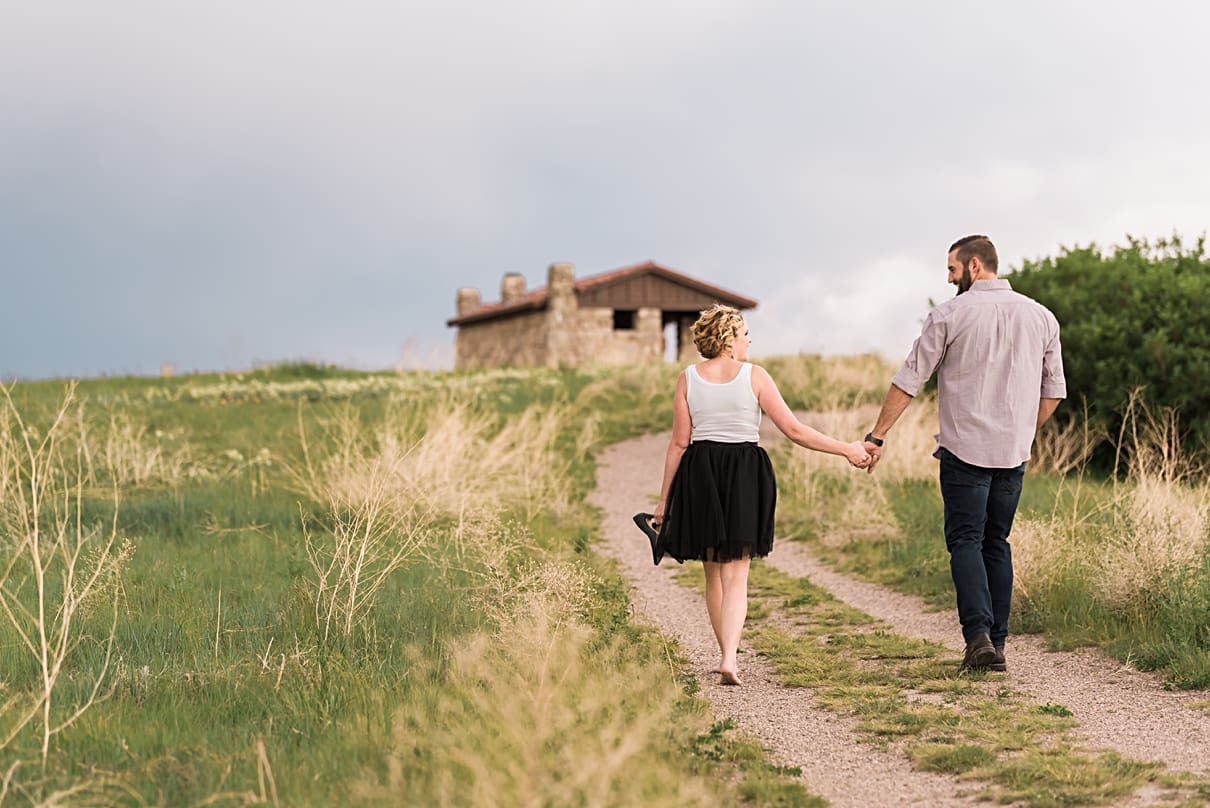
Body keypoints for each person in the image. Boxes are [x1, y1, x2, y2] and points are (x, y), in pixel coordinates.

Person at [861, 235, 1066, 672]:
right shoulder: (1042, 317)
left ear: (974, 266)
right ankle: (1000, 644)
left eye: (952, 270)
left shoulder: (949, 314)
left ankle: (978, 640)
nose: (950, 279)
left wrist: (877, 435)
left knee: (966, 541)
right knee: (997, 542)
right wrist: (1023, 434)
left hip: (964, 452)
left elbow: (910, 379)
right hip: (1013, 454)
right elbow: (1054, 393)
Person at [643, 304, 872, 686]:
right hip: (745, 473)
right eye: (745, 333)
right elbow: (795, 431)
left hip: (700, 473)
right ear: (729, 339)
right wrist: (846, 448)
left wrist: (664, 501)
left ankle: (724, 655)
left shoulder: (687, 378)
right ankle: (730, 658)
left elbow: (679, 443)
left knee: (713, 573)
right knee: (738, 576)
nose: (750, 339)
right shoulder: (755, 376)